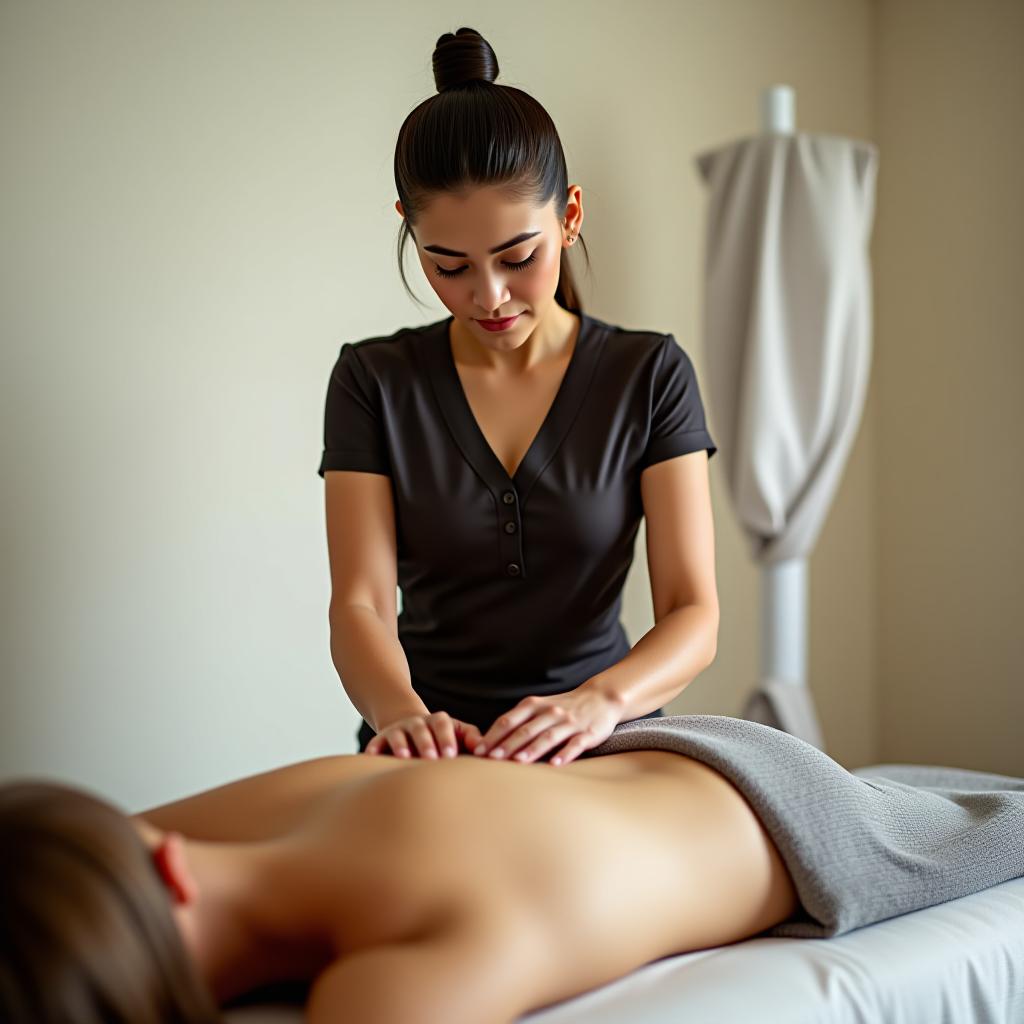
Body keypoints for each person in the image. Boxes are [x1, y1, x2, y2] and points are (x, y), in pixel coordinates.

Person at [319, 26, 720, 764]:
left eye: (516, 257)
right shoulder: (373, 382)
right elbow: (361, 604)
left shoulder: (650, 374)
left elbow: (694, 614)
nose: (489, 295)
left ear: (569, 217)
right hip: (430, 753)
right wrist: (401, 717)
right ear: (409, 232)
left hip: (607, 742)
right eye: (449, 266)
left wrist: (599, 702)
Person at [0, 729, 801, 1023]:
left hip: (769, 800)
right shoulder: (379, 991)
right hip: (758, 791)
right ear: (169, 868)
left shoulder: (380, 988)